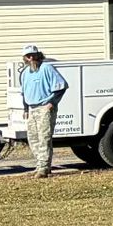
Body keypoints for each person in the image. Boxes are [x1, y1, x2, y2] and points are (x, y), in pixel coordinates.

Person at [15, 43, 67, 179]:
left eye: (33, 55)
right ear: (24, 58)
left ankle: (43, 168)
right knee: (33, 138)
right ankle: (40, 165)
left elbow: (62, 86)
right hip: (32, 108)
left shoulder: (47, 68)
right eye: (28, 56)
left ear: (38, 55)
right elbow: (23, 93)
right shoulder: (25, 73)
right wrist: (25, 108)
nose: (31, 58)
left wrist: (52, 102)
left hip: (45, 106)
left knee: (44, 137)